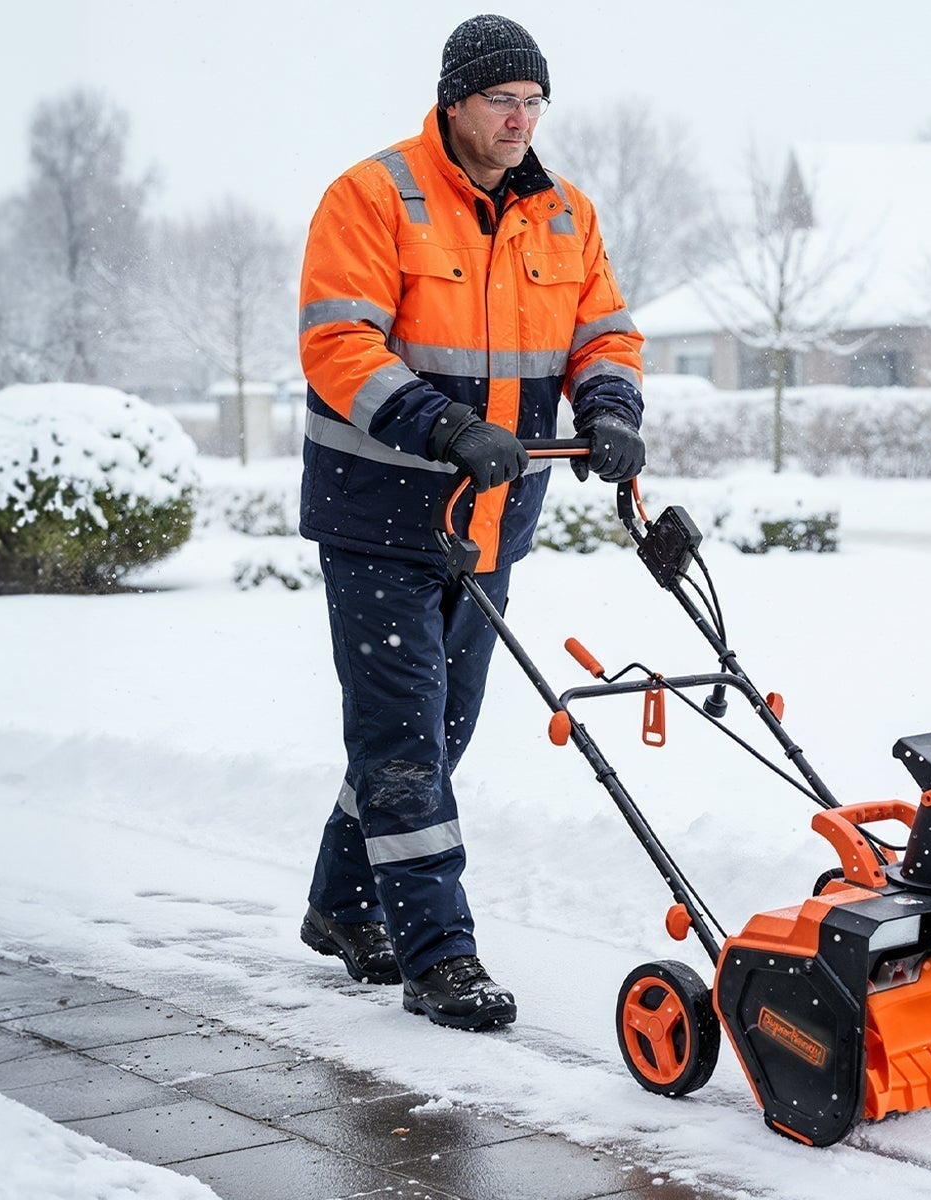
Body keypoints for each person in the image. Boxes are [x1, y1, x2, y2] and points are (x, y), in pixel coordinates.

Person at [291, 14, 645, 1030]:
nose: (521, 121)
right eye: (503, 101)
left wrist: (611, 410)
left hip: (488, 526)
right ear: (455, 101)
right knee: (402, 744)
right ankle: (437, 957)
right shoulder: (373, 197)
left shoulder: (565, 215)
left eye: (534, 103)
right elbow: (339, 344)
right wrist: (440, 423)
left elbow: (605, 329)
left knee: (438, 736)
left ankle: (340, 906)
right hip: (381, 518)